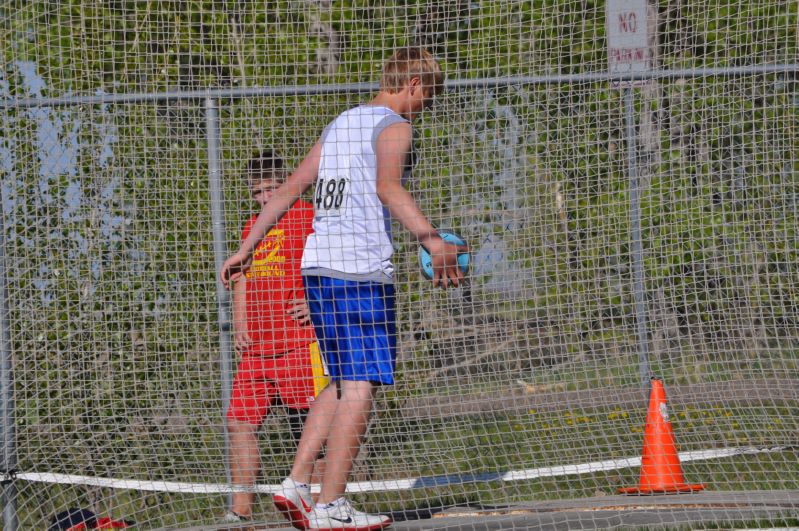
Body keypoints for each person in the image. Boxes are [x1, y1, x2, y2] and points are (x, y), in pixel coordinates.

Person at [220, 48, 466, 531]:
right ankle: (331, 505)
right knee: (361, 384)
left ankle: (296, 482)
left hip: (318, 270)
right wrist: (431, 239)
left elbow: (291, 188)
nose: (425, 108)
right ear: (414, 84)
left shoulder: (341, 123)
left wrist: (245, 248)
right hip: (357, 270)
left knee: (337, 380)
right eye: (428, 98)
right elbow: (389, 188)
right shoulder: (394, 126)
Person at [223, 151, 329, 524]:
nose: (266, 198)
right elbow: (241, 276)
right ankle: (240, 513)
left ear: (288, 185)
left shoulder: (310, 217)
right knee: (238, 421)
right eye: (257, 192)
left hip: (299, 344)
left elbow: (338, 265)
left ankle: (319, 513)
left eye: (272, 189)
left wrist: (319, 307)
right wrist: (240, 325)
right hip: (257, 349)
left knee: (311, 435)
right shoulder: (252, 226)